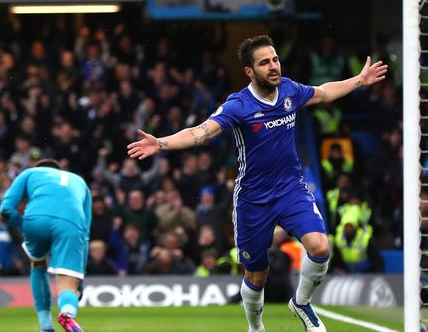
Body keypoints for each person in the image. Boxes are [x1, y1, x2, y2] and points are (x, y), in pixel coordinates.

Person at [128, 35, 387, 332]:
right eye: (265, 63)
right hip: (253, 199)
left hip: (291, 189)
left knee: (320, 247)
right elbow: (201, 131)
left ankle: (301, 303)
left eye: (275, 59)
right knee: (256, 275)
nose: (274, 66)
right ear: (250, 71)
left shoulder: (289, 89)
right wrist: (160, 143)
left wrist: (359, 79)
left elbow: (324, 93)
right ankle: (255, 327)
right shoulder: (239, 105)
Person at [0, 159, 92, 332]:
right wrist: (80, 275)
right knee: (68, 287)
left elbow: (5, 209)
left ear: (39, 169)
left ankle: (46, 327)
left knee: (38, 263)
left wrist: (24, 227)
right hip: (71, 224)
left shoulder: (29, 173)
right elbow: (85, 235)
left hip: (36, 218)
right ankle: (67, 313)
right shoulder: (80, 182)